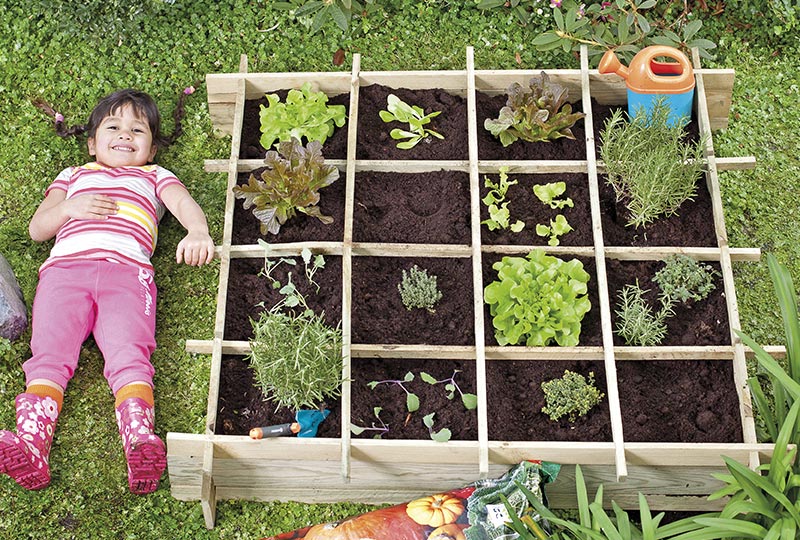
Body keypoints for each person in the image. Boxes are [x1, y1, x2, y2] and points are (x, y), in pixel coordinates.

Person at [0, 88, 215, 495]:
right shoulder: (73, 175)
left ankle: (139, 441)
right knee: (49, 353)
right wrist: (67, 210)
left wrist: (197, 231)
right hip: (64, 273)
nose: (125, 135)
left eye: (138, 130)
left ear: (151, 149)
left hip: (127, 275)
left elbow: (184, 203)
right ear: (92, 142)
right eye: (113, 126)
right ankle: (31, 444)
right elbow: (36, 228)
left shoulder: (154, 176)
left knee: (129, 353)